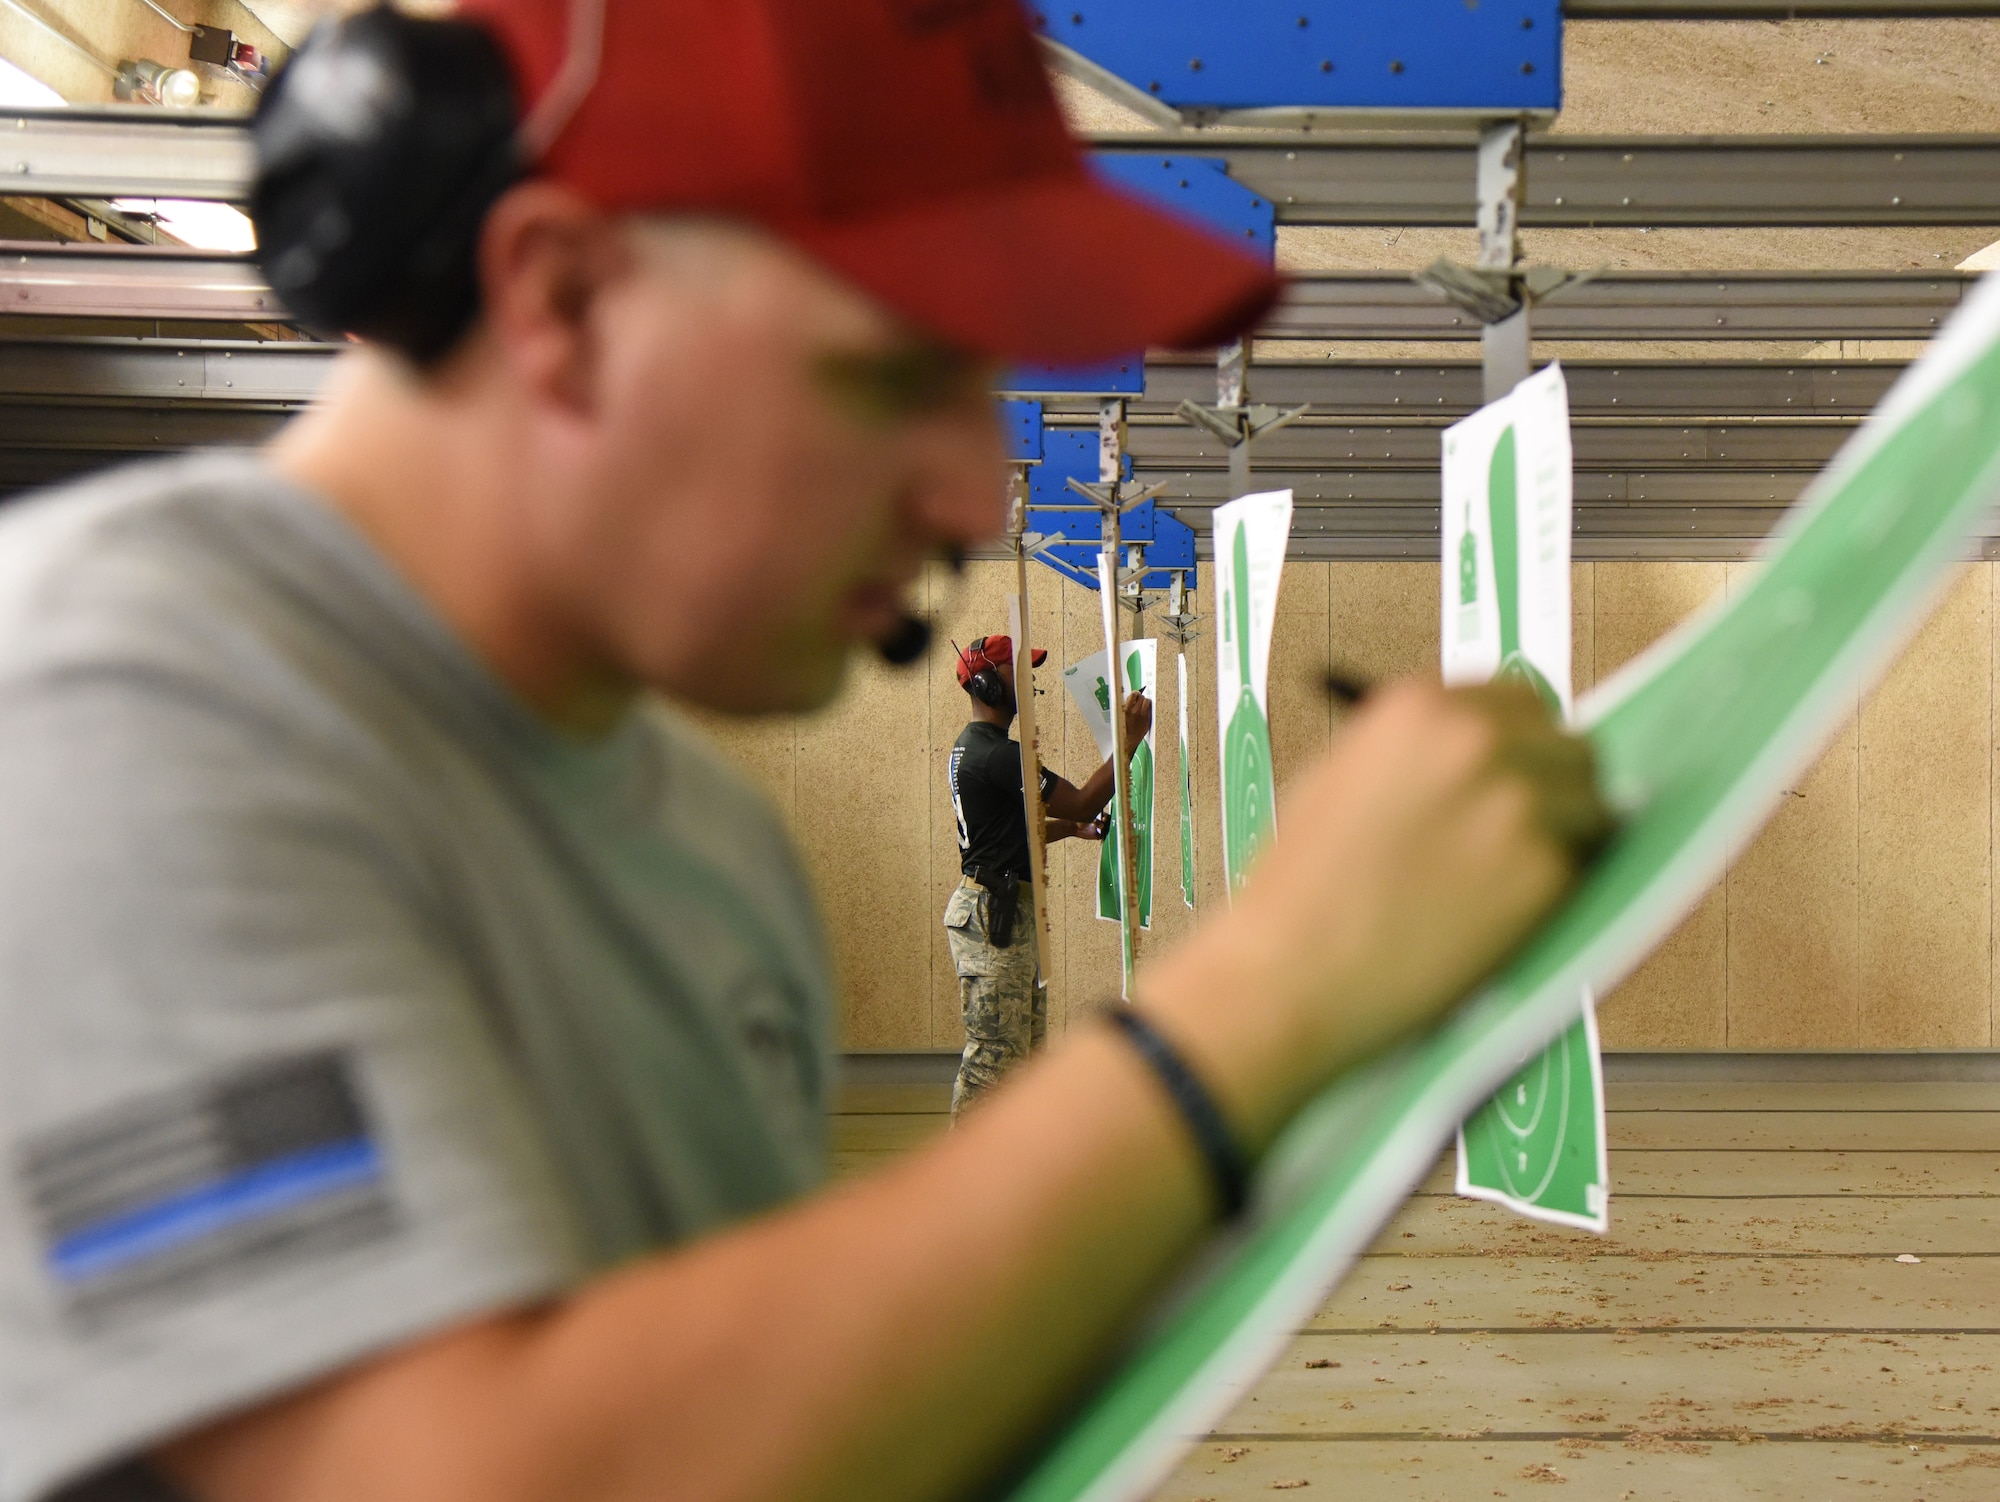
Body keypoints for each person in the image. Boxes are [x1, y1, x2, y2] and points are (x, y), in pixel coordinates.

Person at [0, 2, 1612, 1501]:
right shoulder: (110, 710)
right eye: (899, 369)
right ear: (560, 298)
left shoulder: (702, 841)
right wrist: (1277, 991)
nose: (976, 500)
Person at [945, 633, 1150, 1115]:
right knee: (992, 1064)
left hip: (1000, 907)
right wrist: (1130, 740)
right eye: (1018, 672)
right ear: (987, 684)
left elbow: (1011, 831)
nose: (1028, 683)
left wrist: (1070, 828)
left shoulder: (975, 746)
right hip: (993, 916)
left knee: (1018, 1061)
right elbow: (1083, 798)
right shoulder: (998, 754)